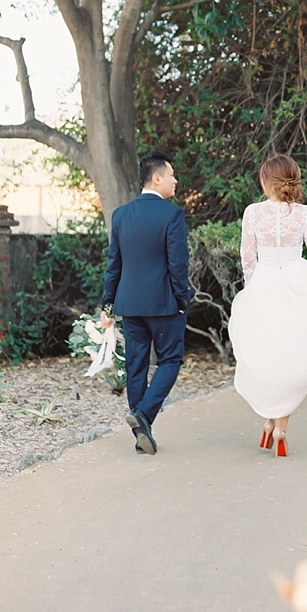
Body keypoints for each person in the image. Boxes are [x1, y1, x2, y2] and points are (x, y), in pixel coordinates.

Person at [228, 155, 307, 457]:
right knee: (293, 358)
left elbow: (247, 258)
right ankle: (280, 429)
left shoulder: (252, 212)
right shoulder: (305, 214)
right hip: (297, 286)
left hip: (263, 286)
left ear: (266, 181)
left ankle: (267, 423)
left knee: (269, 357)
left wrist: (253, 289)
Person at [100, 150, 191, 455]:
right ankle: (143, 415)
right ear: (157, 178)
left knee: (136, 367)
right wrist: (183, 300)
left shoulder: (121, 215)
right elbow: (178, 266)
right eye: (171, 175)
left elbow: (114, 264)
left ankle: (142, 434)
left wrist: (107, 305)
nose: (175, 180)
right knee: (170, 361)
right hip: (165, 304)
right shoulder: (172, 215)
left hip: (129, 305)